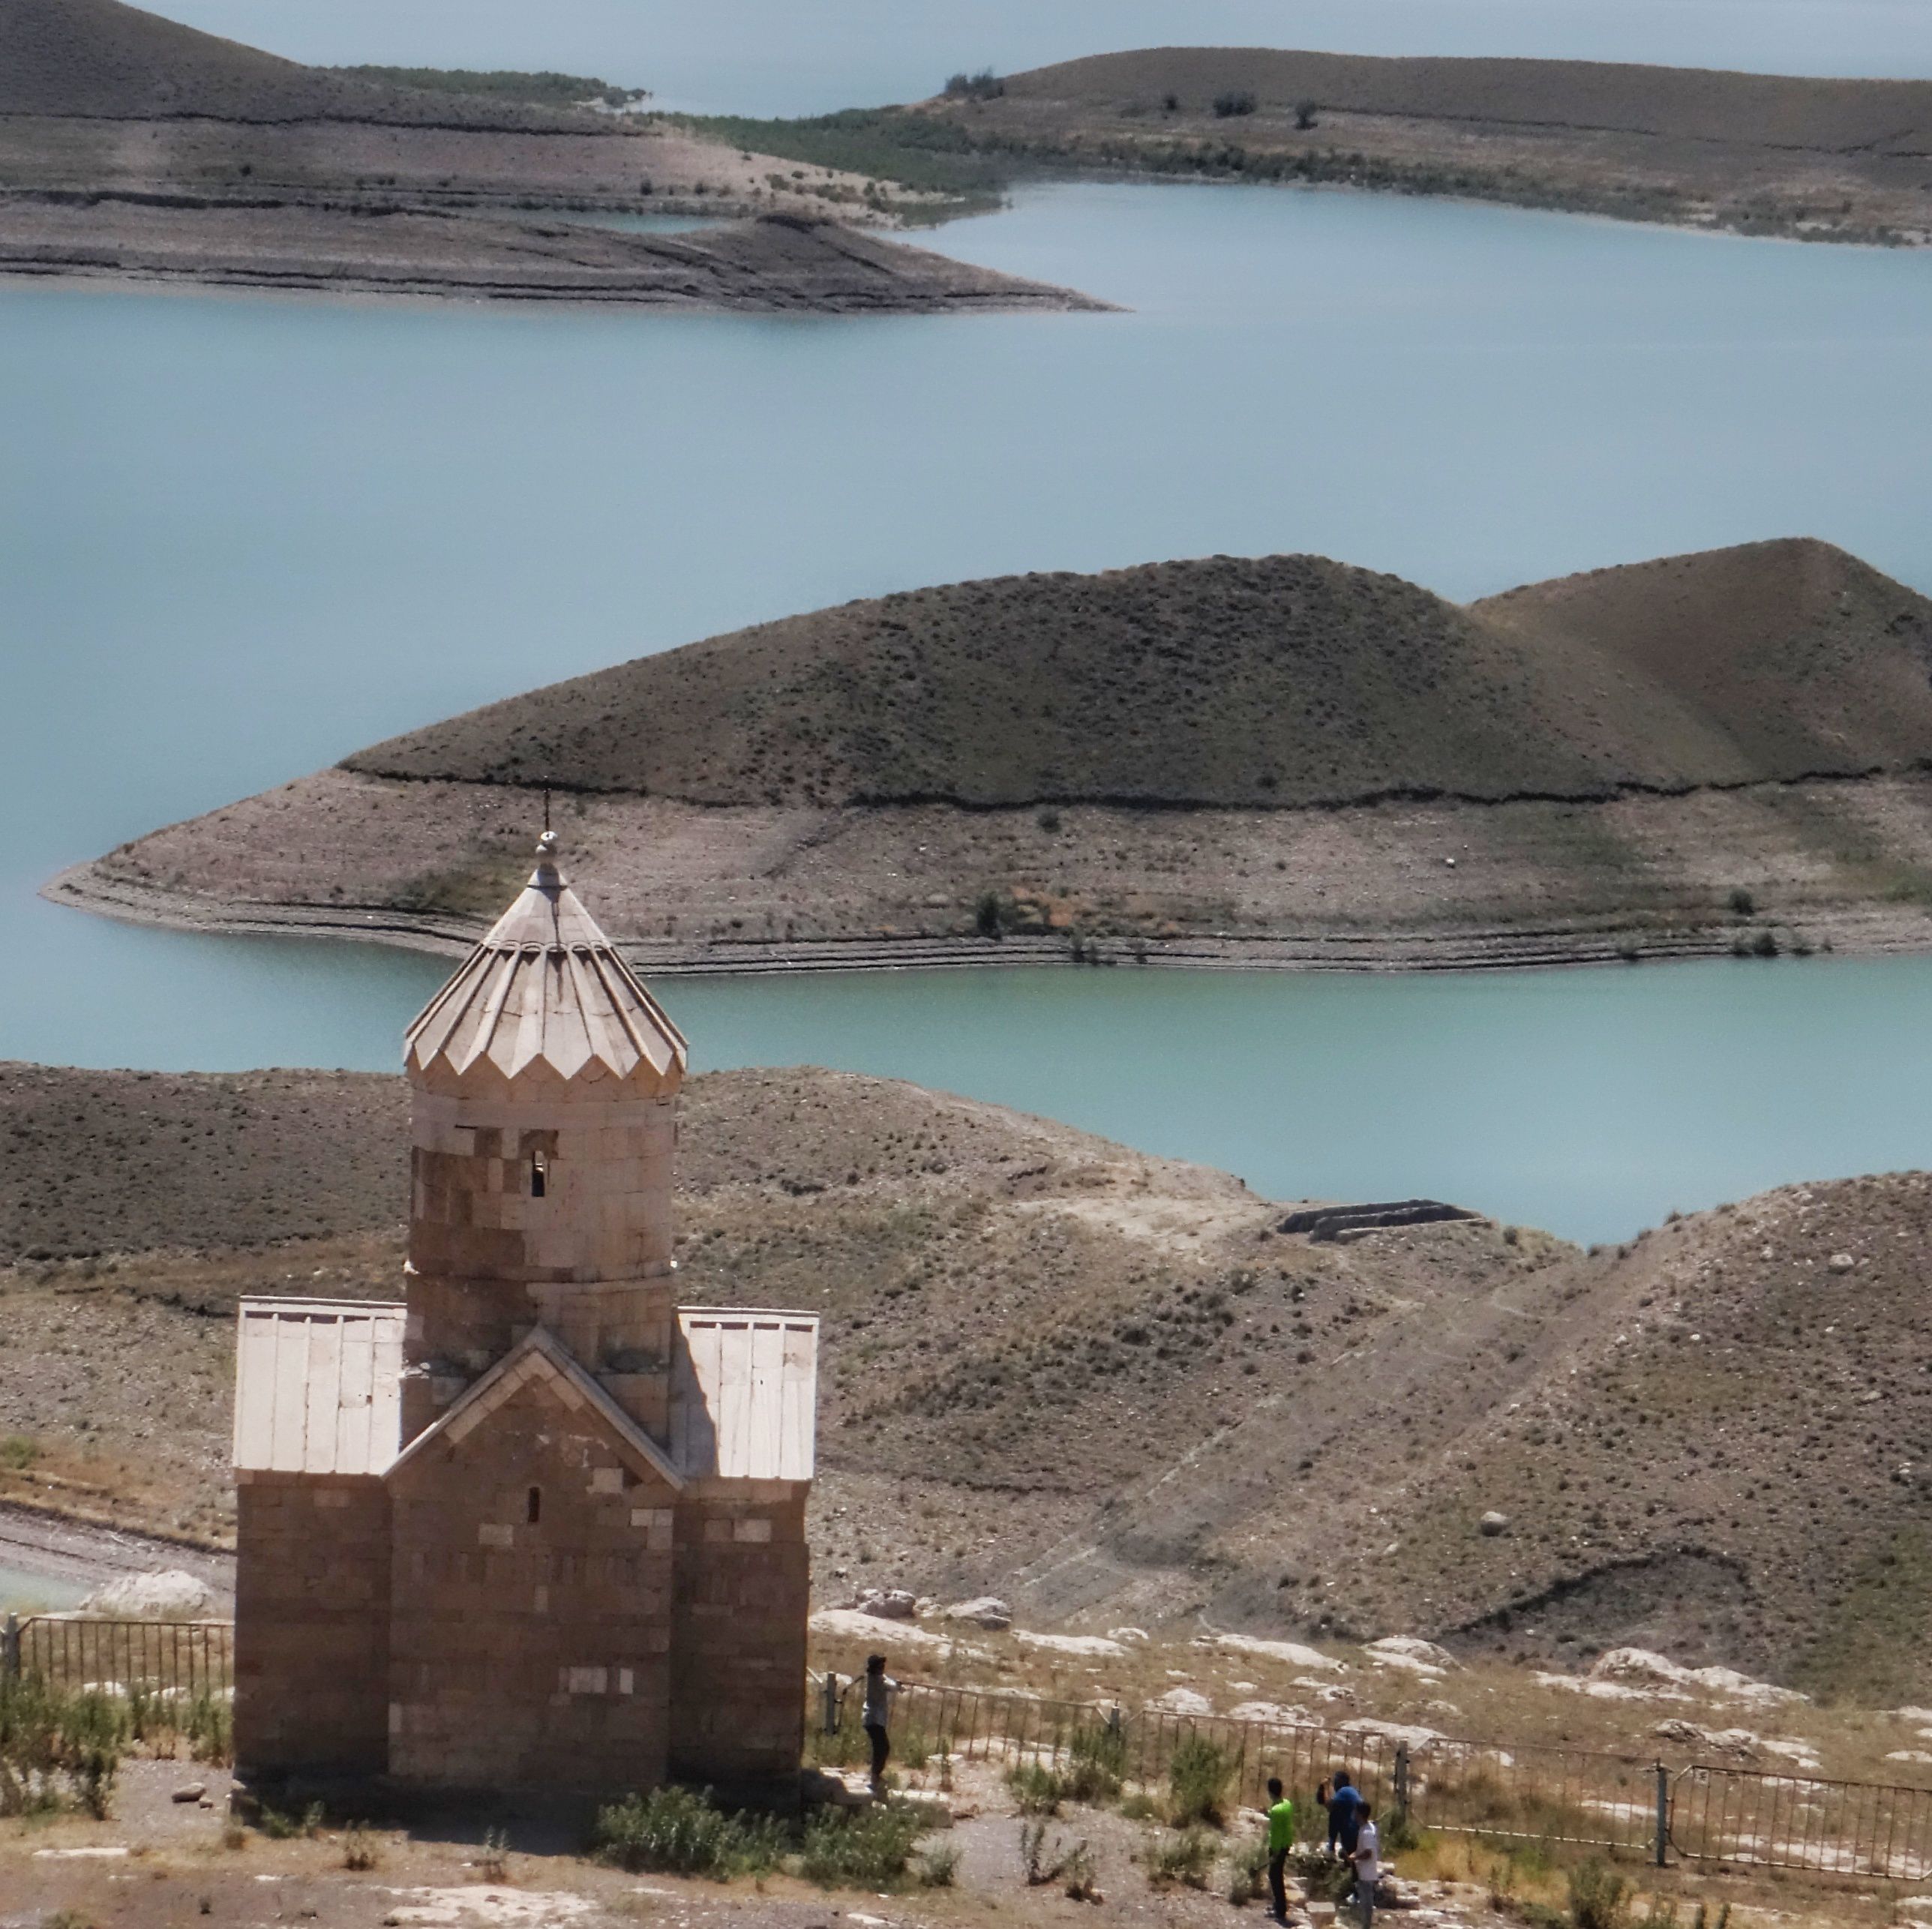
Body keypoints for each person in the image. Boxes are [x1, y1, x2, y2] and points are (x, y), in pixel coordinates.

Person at [862, 1653, 898, 1793]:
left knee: (880, 1748)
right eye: (881, 1666)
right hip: (874, 1719)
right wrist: (898, 1686)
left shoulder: (876, 1678)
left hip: (873, 1719)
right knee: (883, 1748)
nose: (883, 1668)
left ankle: (875, 1775)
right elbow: (892, 1686)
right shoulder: (877, 1680)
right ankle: (875, 1776)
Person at [1265, 1776, 1296, 1922]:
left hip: (1277, 1848)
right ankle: (1278, 1905)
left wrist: (1275, 1853)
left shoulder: (1277, 1810)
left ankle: (1280, 1909)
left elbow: (1276, 1834)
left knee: (1274, 1877)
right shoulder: (1286, 1804)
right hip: (1286, 1845)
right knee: (1277, 1876)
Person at [1349, 1802, 1381, 1929]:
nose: (1354, 1815)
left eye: (1355, 1812)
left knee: (1366, 1904)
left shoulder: (1366, 1832)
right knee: (1365, 1903)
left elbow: (1368, 1853)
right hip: (1366, 1872)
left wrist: (1355, 1857)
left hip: (1366, 1874)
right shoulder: (1368, 1828)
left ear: (1360, 1814)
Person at [1322, 1771, 1364, 1858]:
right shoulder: (1352, 1791)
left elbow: (1329, 1805)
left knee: (1334, 1813)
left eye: (1336, 1781)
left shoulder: (1344, 1791)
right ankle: (1341, 1848)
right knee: (1337, 1810)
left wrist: (1325, 1787)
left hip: (1352, 1832)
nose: (1334, 1784)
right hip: (1359, 1832)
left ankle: (1331, 1847)